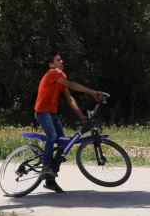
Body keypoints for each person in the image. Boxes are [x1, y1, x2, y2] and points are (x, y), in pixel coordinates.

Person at [35, 50, 105, 193]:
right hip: (42, 112)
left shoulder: (62, 76)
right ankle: (46, 167)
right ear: (51, 64)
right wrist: (92, 92)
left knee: (64, 143)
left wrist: (81, 116)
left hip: (52, 113)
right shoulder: (52, 73)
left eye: (61, 59)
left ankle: (50, 181)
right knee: (53, 137)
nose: (62, 61)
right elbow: (72, 84)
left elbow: (69, 98)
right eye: (58, 60)